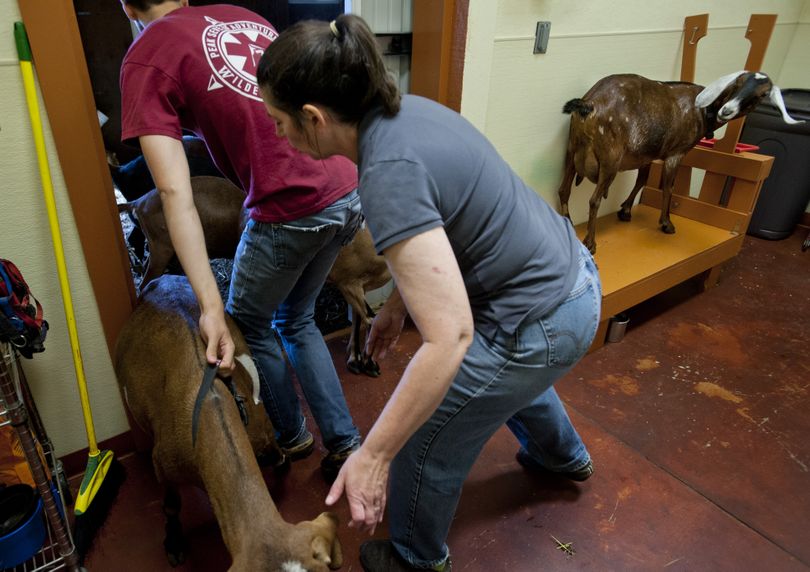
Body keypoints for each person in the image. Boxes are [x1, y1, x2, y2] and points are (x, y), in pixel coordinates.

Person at [257, 14, 602, 572]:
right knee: (502, 376)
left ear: (313, 118)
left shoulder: (386, 171)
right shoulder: (406, 112)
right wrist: (398, 304)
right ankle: (563, 457)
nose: (277, 134)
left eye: (278, 121)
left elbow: (450, 339)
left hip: (541, 321)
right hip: (572, 284)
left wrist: (374, 455)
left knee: (422, 435)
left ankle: (415, 559)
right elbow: (454, 231)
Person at [118, 0, 362, 480]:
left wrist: (210, 307)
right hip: (347, 189)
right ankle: (345, 443)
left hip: (289, 204)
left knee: (248, 322)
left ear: (127, 6)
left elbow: (173, 190)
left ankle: (291, 437)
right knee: (297, 318)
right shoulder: (243, 15)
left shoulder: (146, 55)